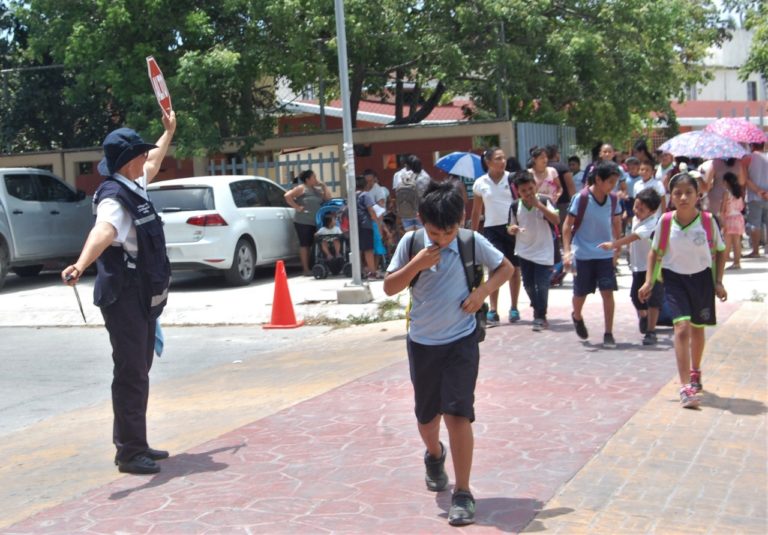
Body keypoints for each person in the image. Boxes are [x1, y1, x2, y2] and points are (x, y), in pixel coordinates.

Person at [383, 181, 514, 526]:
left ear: (460, 223)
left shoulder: (471, 242)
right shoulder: (411, 243)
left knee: (458, 414)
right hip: (423, 343)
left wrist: (482, 292)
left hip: (461, 341)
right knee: (427, 419)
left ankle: (463, 492)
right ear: (422, 222)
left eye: (449, 232)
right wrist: (416, 264)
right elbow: (389, 287)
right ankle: (434, 453)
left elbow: (506, 268)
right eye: (434, 232)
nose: (442, 239)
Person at [61, 111, 177, 474]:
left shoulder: (134, 182)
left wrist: (169, 130)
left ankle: (133, 442)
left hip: (140, 294)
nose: (147, 156)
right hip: (123, 295)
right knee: (131, 373)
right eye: (140, 152)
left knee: (139, 369)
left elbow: (154, 160)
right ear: (128, 161)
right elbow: (105, 231)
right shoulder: (113, 197)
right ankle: (130, 452)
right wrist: (80, 264)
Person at [639, 173, 727, 408]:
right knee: (681, 328)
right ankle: (685, 386)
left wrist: (718, 281)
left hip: (702, 280)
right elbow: (654, 252)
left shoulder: (708, 221)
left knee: (697, 328)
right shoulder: (666, 221)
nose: (683, 197)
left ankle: (695, 370)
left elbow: (721, 250)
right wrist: (648, 282)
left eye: (689, 192)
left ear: (698, 195)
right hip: (674, 279)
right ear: (671, 197)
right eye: (677, 193)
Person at [562, 161, 623, 349]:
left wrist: (617, 246)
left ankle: (608, 333)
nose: (613, 186)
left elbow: (617, 223)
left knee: (607, 292)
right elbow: (567, 226)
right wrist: (567, 252)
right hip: (582, 255)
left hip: (605, 254)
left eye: (615, 182)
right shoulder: (581, 198)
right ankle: (577, 316)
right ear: (598, 179)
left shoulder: (613, 200)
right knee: (580, 293)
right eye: (610, 182)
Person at [599, 188, 663, 345]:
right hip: (637, 266)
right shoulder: (636, 219)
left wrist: (614, 244)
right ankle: (644, 316)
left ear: (652, 211)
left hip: (653, 268)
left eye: (641, 209)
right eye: (636, 206)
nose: (636, 211)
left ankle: (651, 331)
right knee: (635, 296)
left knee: (653, 300)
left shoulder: (653, 223)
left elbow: (633, 237)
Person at [471, 147, 521, 324]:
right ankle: (493, 309)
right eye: (498, 158)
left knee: (514, 268)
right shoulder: (480, 183)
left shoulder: (513, 179)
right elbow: (476, 211)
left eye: (504, 158)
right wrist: (472, 234)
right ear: (488, 162)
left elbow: (520, 202)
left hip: (511, 227)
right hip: (491, 229)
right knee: (494, 268)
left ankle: (514, 307)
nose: (502, 161)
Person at [506, 171, 560, 331]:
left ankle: (540, 316)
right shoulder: (515, 206)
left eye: (530, 188)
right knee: (528, 284)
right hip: (524, 251)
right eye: (523, 190)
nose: (528, 193)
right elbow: (510, 226)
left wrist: (539, 206)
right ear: (518, 191)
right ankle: (537, 307)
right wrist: (512, 229)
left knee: (542, 284)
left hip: (544, 250)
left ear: (535, 186)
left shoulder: (545, 201)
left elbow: (556, 220)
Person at [284, 169, 332, 275]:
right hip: (303, 221)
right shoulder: (301, 188)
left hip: (316, 221)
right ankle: (305, 269)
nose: (316, 179)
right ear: (307, 179)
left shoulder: (316, 190)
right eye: (314, 177)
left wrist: (324, 186)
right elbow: (287, 196)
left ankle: (316, 265)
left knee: (316, 243)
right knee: (305, 244)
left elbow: (328, 199)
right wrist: (297, 207)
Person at [393, 154, 431, 232]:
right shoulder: (425, 177)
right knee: (420, 236)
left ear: (407, 165)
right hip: (420, 212)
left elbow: (396, 193)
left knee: (409, 235)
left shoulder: (400, 175)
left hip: (406, 211)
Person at [355, 175, 382, 278]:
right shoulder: (365, 195)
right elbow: (371, 210)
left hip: (354, 226)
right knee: (368, 250)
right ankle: (372, 272)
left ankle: (358, 271)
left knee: (358, 249)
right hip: (365, 224)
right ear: (365, 185)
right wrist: (377, 223)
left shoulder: (351, 196)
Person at [745, 142, 768, 257]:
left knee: (755, 224)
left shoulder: (748, 158)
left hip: (754, 197)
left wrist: (759, 191)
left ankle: (755, 251)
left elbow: (745, 178)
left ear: (752, 145)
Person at [720, 172, 745, 270]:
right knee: (737, 241)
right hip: (738, 218)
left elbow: (723, 209)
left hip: (729, 218)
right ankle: (737, 262)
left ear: (726, 182)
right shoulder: (739, 193)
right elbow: (742, 207)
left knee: (727, 242)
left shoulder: (726, 193)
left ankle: (722, 263)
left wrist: (722, 220)